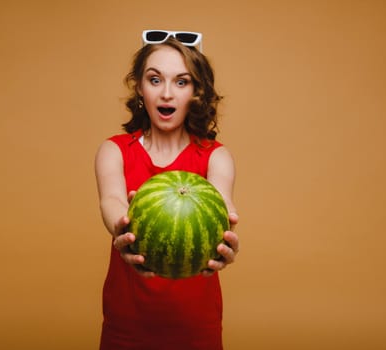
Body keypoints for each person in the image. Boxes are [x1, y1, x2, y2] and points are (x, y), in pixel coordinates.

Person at [94, 30, 239, 350]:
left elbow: (221, 201)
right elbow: (113, 199)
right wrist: (123, 226)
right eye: (155, 79)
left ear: (197, 92)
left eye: (182, 81)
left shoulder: (217, 155)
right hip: (126, 324)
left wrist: (225, 229)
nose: (167, 94)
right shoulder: (114, 150)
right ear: (140, 88)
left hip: (196, 326)